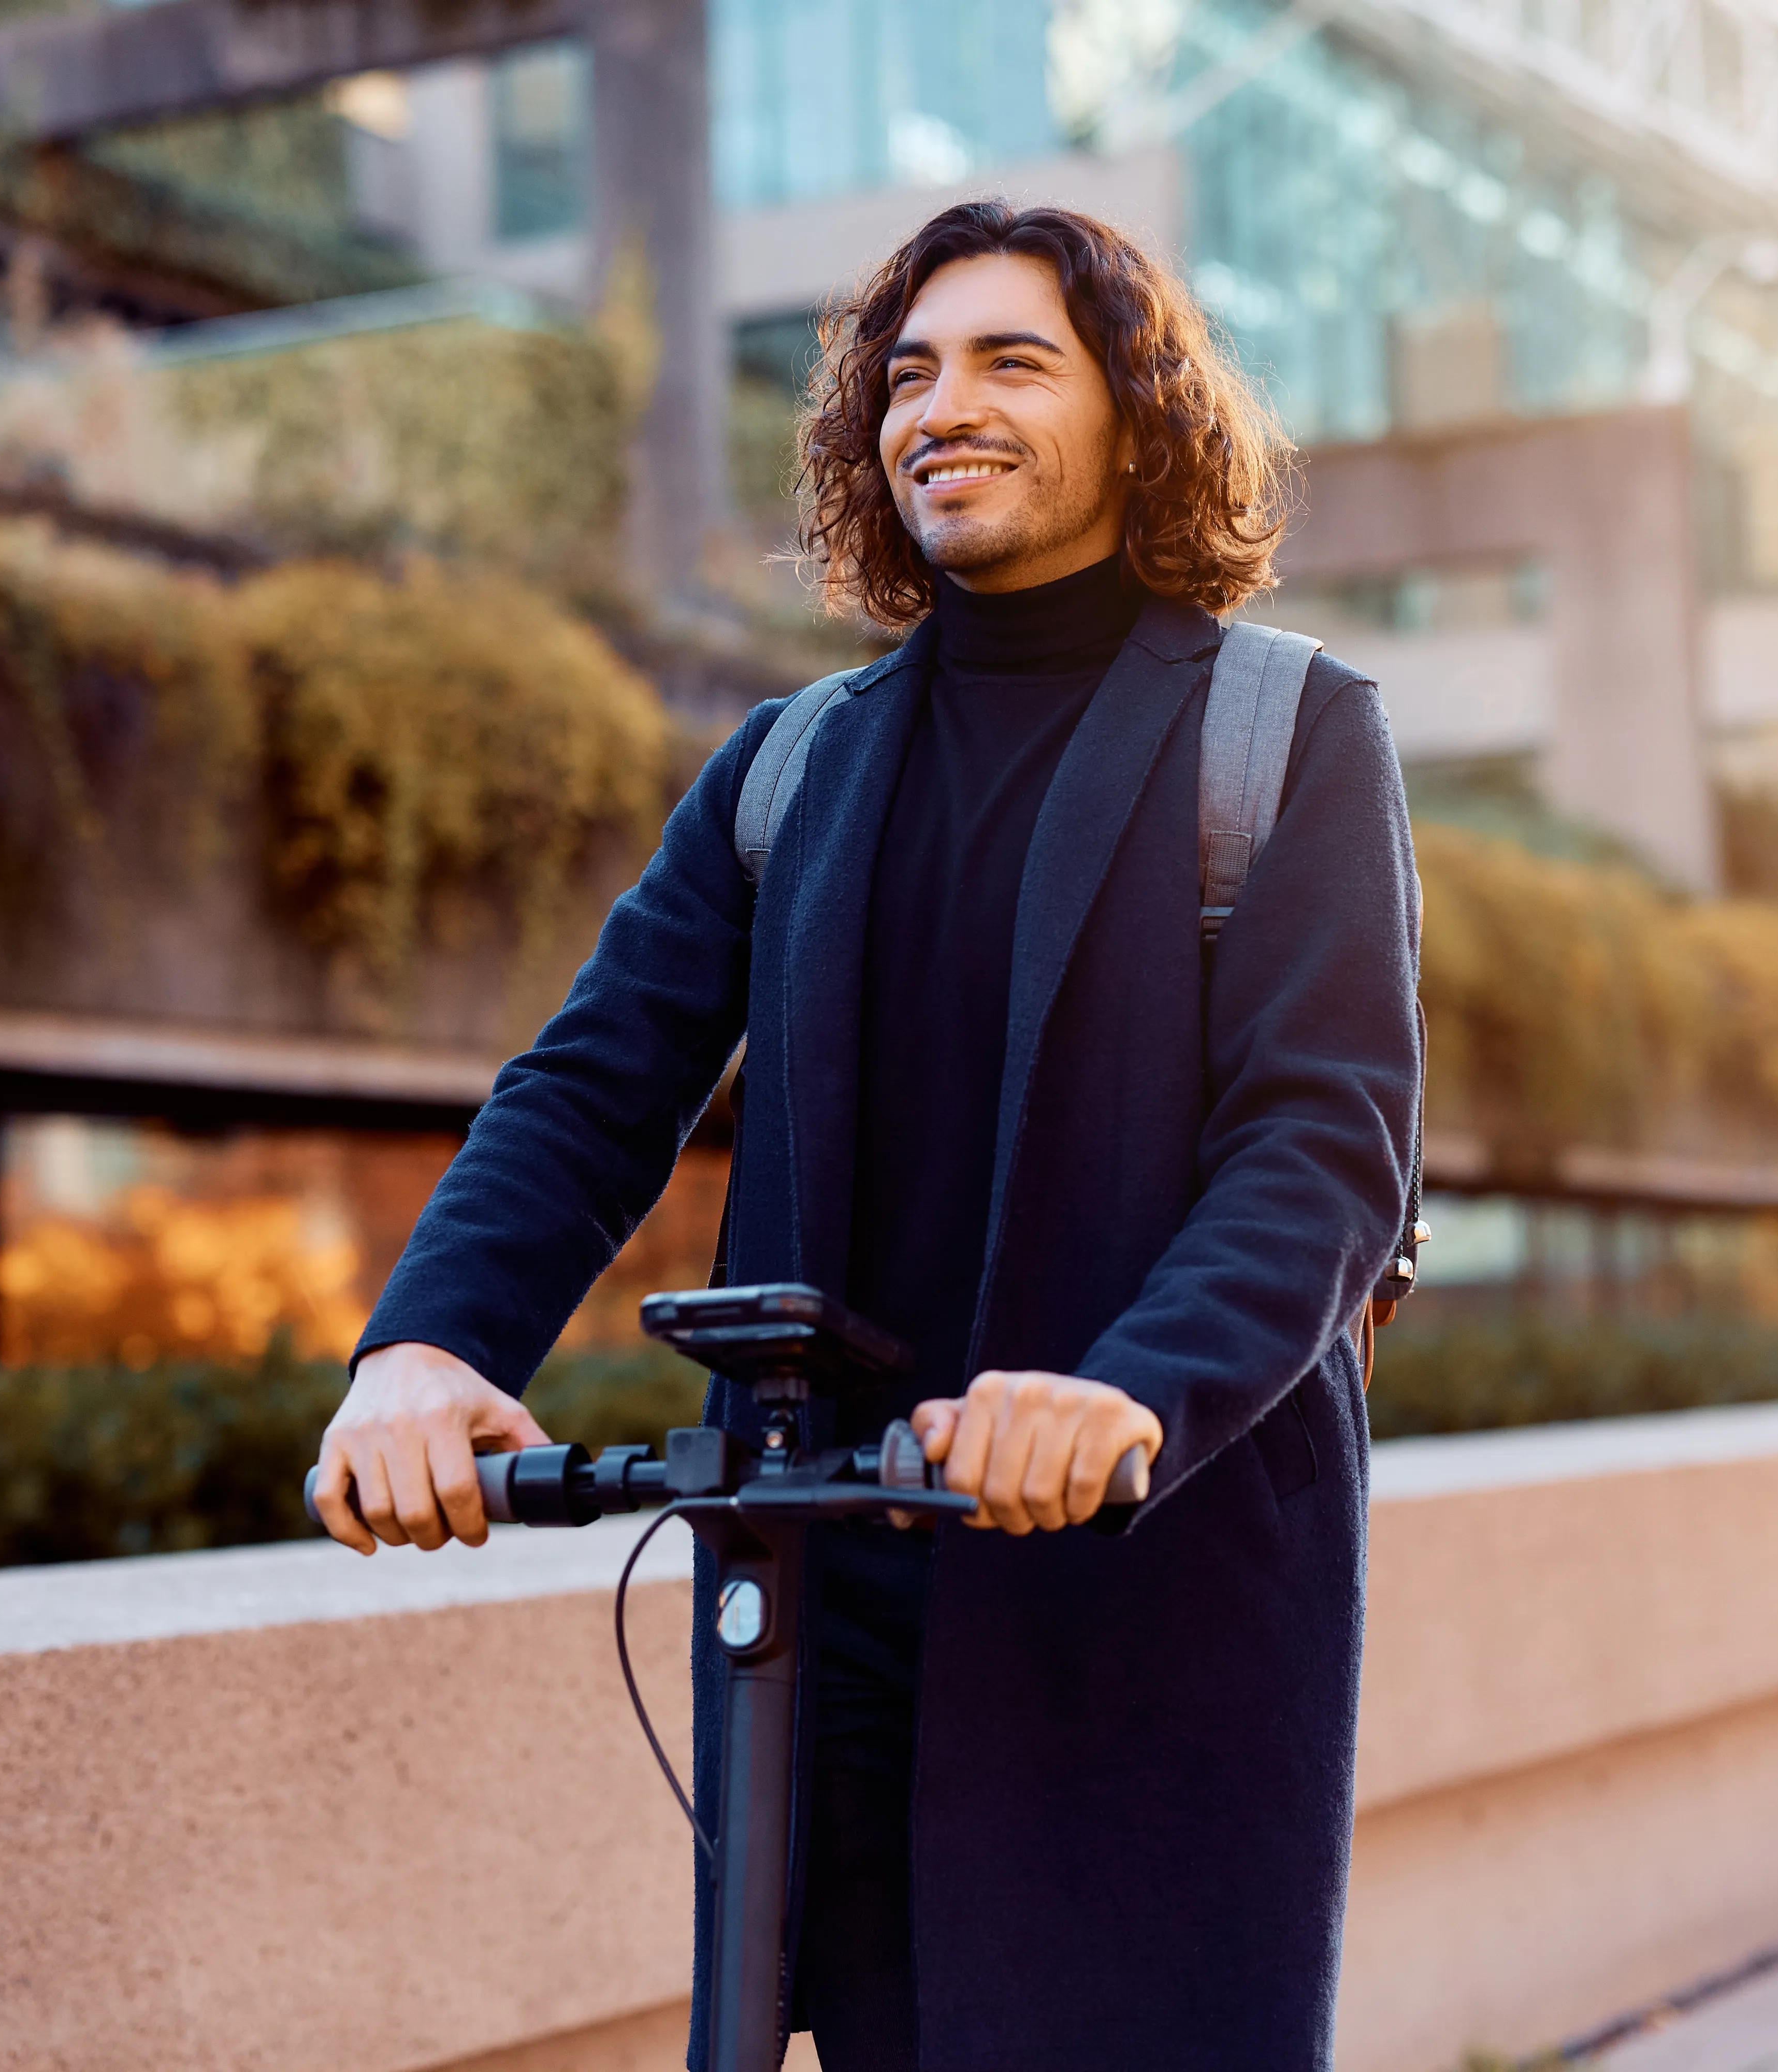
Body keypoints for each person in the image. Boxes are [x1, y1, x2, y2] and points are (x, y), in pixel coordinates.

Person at [311, 202, 1422, 2072]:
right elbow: (591, 1085)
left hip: (1146, 1583)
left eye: (1011, 360)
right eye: (907, 373)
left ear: (1140, 416)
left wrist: (1126, 1393)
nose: (941, 407)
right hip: (826, 1603)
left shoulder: (1285, 735)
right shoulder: (791, 765)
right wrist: (426, 1352)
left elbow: (1322, 1144)